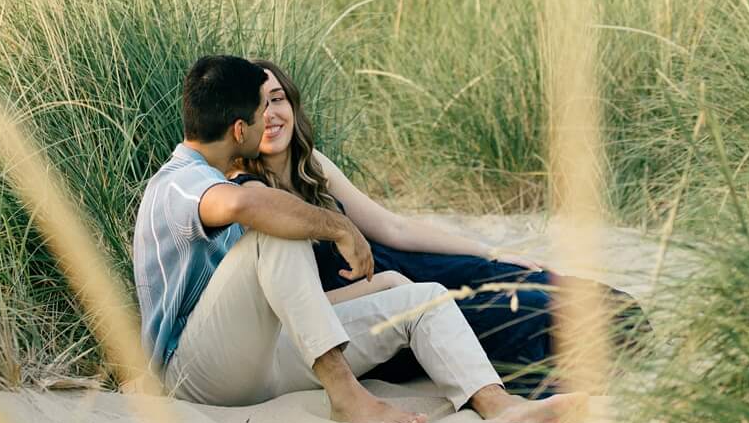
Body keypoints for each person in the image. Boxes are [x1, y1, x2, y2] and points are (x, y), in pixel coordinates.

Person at [132, 56, 587, 423]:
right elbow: (241, 205)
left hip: (270, 359)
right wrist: (339, 227)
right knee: (274, 232)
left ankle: (498, 405)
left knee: (422, 299)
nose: (265, 120)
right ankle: (348, 397)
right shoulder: (180, 183)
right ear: (238, 130)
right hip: (195, 375)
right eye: (257, 113)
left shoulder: (241, 174)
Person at [235, 58, 650, 395]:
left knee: (536, 282)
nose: (271, 114)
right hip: (384, 304)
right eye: (259, 106)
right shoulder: (249, 195)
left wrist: (485, 251)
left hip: (406, 266)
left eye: (278, 99)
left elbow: (392, 228)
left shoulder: (313, 165)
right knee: (521, 316)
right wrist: (384, 286)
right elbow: (291, 305)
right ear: (240, 122)